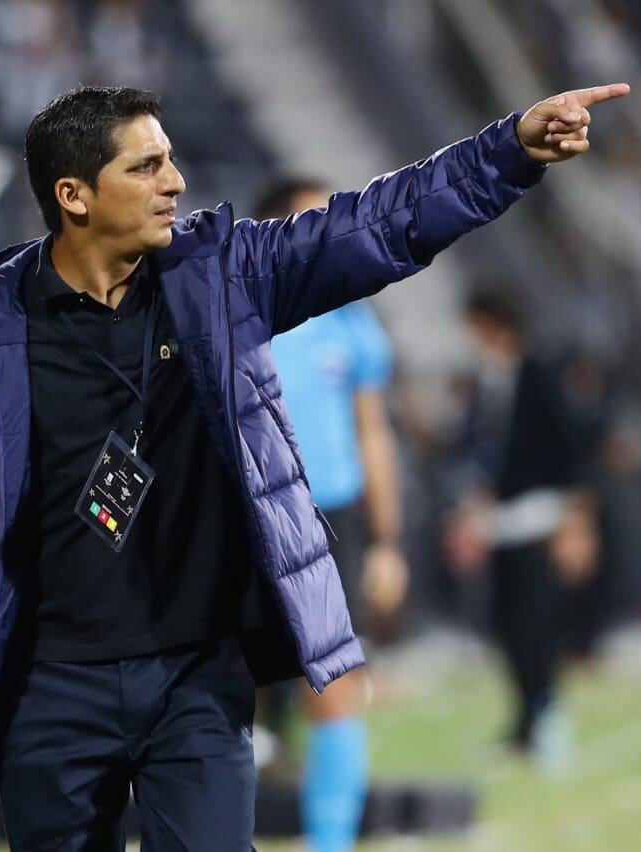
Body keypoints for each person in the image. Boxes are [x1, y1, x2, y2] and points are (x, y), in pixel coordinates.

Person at [0, 83, 628, 849]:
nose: (175, 182)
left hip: (198, 679)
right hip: (51, 684)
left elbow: (378, 225)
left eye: (170, 160)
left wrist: (510, 150)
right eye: (145, 167)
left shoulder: (225, 278)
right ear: (74, 195)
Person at [257, 177, 407, 852]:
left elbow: (372, 431)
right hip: (248, 514)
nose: (333, 229)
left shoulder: (354, 318)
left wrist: (387, 540)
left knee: (337, 688)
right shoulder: (237, 306)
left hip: (329, 522)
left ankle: (330, 843)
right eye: (313, 218)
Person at [445, 288, 599, 770]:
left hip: (539, 517)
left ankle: (548, 714)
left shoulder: (538, 375)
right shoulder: (485, 384)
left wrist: (577, 521)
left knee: (538, 626)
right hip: (500, 525)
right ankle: (523, 720)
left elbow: (567, 446)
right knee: (507, 626)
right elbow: (480, 455)